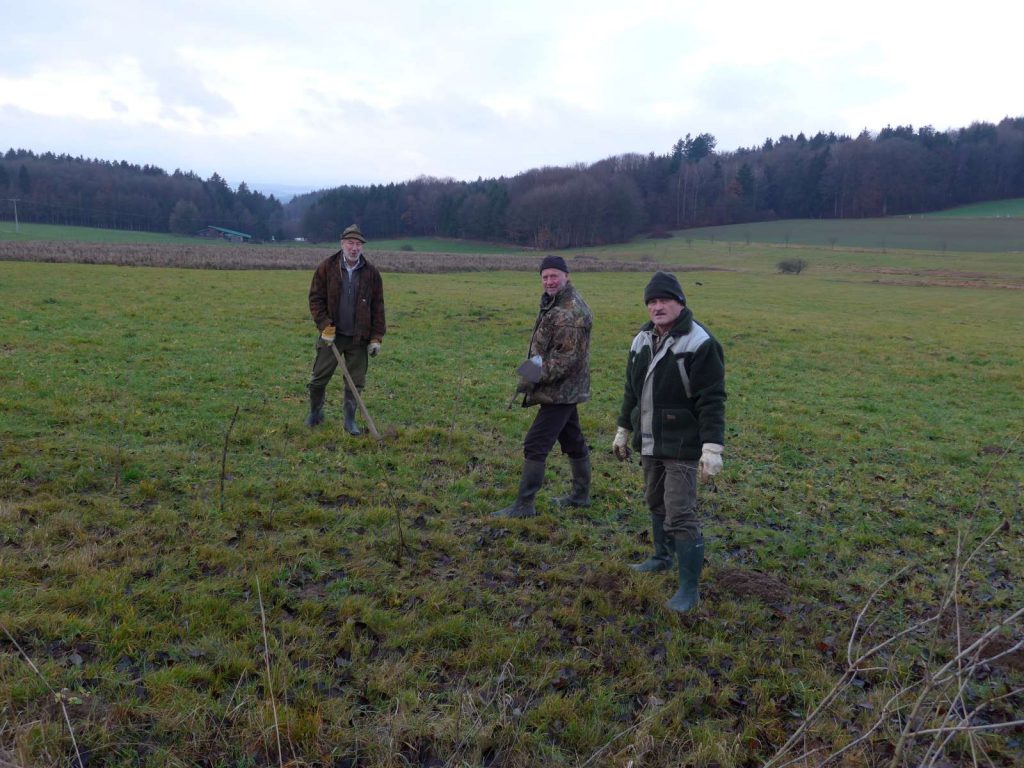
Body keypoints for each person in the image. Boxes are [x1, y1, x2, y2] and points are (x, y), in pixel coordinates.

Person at [612, 271, 726, 614]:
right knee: (655, 502)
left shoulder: (700, 342)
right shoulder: (641, 340)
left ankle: (689, 590)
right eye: (652, 301)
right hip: (649, 440)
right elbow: (632, 389)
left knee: (680, 512)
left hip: (682, 442)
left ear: (680, 303)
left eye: (664, 300)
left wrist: (712, 447)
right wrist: (623, 428)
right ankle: (661, 556)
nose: (657, 307)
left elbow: (712, 398)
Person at [493, 255, 593, 518]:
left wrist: (530, 376)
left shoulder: (570, 312)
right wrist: (529, 371)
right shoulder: (556, 302)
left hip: (561, 390)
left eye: (554, 276)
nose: (549, 281)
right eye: (545, 276)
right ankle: (580, 496)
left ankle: (524, 505)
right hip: (564, 387)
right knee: (572, 439)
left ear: (566, 276)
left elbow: (565, 360)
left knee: (535, 443)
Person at [305, 224, 386, 434]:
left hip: (359, 337)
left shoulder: (371, 274)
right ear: (342, 244)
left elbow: (378, 307)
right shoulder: (327, 267)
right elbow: (315, 299)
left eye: (358, 244)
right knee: (318, 379)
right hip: (332, 335)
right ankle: (315, 413)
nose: (354, 248)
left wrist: (376, 338)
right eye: (350, 243)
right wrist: (325, 326)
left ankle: (350, 421)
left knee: (355, 383)